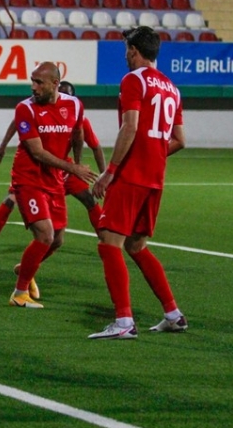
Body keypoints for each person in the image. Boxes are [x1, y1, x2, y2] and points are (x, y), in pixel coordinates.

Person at [88, 26, 187, 340]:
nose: (126, 56)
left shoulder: (134, 80)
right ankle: (173, 314)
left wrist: (110, 172)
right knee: (136, 245)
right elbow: (180, 140)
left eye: (126, 50)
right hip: (154, 179)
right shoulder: (172, 88)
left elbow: (129, 127)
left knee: (108, 241)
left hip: (131, 176)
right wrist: (153, 153)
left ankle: (123, 321)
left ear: (133, 50)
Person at [0, 81, 106, 259]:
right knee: (10, 200)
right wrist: (3, 145)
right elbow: (17, 123)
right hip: (38, 168)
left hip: (65, 169)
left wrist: (104, 175)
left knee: (89, 199)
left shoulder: (78, 118)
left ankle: (106, 243)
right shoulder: (36, 110)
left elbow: (95, 147)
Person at [7, 62, 97, 309]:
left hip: (54, 179)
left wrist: (77, 162)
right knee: (45, 234)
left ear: (55, 83)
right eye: (32, 81)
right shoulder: (25, 109)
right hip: (28, 178)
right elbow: (37, 152)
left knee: (57, 240)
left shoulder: (74, 105)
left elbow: (78, 134)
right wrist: (73, 168)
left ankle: (26, 268)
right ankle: (19, 294)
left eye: (39, 82)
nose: (33, 87)